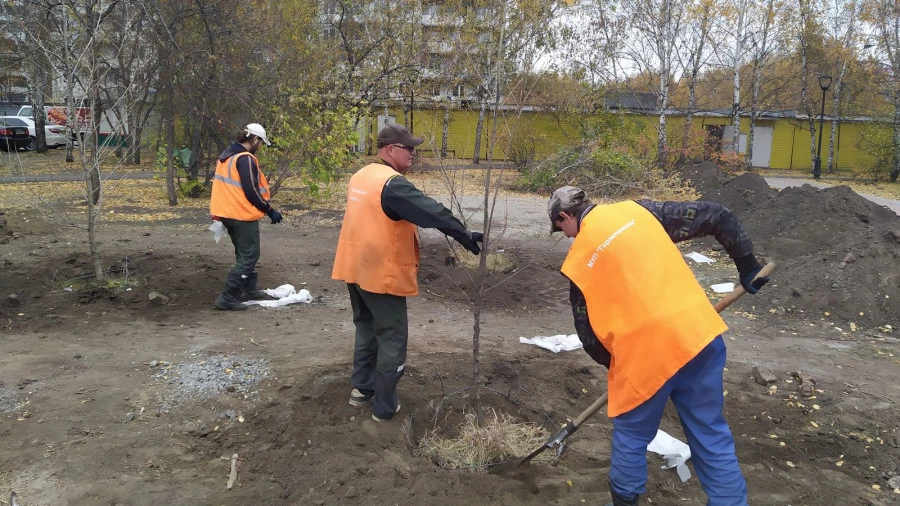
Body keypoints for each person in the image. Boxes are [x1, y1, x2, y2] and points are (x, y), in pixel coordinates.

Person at [548, 186, 768, 506]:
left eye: (560, 229)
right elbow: (718, 215)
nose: (566, 236)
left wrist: (618, 367)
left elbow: (587, 334)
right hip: (697, 337)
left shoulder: (579, 260)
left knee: (632, 434)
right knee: (710, 434)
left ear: (565, 216)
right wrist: (748, 266)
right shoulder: (641, 211)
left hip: (644, 356)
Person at [332, 123, 483, 422]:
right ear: (389, 149)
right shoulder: (392, 184)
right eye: (408, 147)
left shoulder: (362, 175)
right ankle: (385, 408)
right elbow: (429, 211)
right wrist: (462, 234)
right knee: (391, 336)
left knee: (366, 328)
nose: (414, 153)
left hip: (355, 266)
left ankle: (361, 390)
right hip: (380, 273)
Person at [209, 123, 283, 311]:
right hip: (240, 214)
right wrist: (269, 210)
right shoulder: (245, 158)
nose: (260, 148)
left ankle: (249, 290)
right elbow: (250, 190)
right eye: (261, 143)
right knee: (250, 255)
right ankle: (227, 297)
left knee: (243, 253)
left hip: (226, 213)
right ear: (255, 139)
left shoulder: (227, 156)